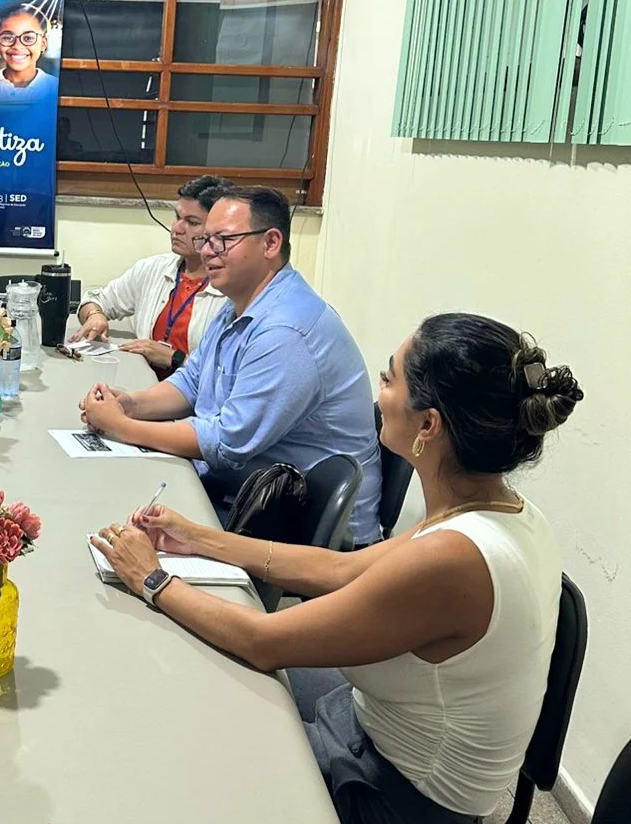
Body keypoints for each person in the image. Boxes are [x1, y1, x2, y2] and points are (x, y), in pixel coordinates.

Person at [90, 312, 584, 824]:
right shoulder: (502, 510)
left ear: (428, 425)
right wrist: (197, 537)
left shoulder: (453, 557)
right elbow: (340, 569)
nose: (379, 391)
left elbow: (263, 641)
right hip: (368, 728)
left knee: (176, 734)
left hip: (387, 797)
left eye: (389, 378)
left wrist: (152, 579)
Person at [79, 185, 382, 544]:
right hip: (246, 497)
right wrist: (130, 404)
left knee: (120, 530)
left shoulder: (287, 330)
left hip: (300, 531)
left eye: (222, 240)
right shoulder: (239, 304)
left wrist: (121, 426)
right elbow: (192, 382)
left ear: (270, 243)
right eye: (206, 239)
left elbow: (226, 441)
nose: (207, 251)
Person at [71, 175, 232, 377]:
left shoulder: (232, 290)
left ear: (218, 231)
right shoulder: (152, 269)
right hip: (142, 383)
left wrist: (176, 359)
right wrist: (95, 315)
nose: (177, 229)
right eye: (177, 217)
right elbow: (94, 300)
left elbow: (228, 375)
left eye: (192, 222)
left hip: (193, 395)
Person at [0, 4, 58, 106]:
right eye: (7, 37)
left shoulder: (54, 88)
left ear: (43, 44)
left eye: (28, 38)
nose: (17, 46)